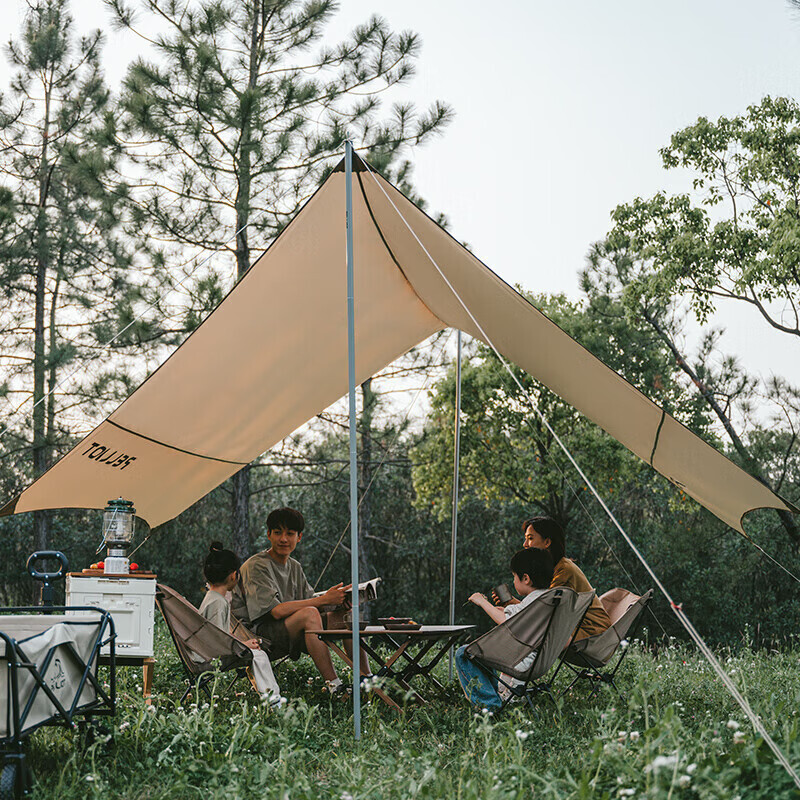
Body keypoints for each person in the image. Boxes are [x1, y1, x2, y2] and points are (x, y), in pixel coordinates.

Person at [231, 507, 370, 695]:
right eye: (278, 532)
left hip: (290, 628)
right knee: (310, 614)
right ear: (269, 535)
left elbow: (309, 600)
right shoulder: (257, 565)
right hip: (259, 635)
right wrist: (322, 600)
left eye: (290, 533)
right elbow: (276, 612)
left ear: (299, 537)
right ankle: (335, 687)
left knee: (346, 615)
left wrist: (336, 601)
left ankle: (366, 680)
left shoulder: (294, 566)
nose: (284, 539)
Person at [455, 548, 555, 712]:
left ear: (525, 578)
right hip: (539, 661)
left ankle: (489, 706)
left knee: (465, 653)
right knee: (480, 652)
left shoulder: (534, 602)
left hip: (520, 660)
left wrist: (481, 602)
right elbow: (518, 616)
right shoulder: (547, 599)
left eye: (514, 576)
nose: (513, 580)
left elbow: (506, 621)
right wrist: (501, 609)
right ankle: (495, 694)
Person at [495, 516, 611, 640]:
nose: (525, 545)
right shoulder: (552, 568)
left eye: (530, 538)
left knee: (534, 630)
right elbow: (542, 608)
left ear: (547, 542)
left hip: (592, 631)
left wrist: (513, 605)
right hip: (575, 628)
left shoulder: (564, 569)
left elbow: (542, 610)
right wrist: (513, 604)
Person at [196, 541, 283, 704]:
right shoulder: (218, 603)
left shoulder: (213, 598)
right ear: (233, 575)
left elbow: (218, 634)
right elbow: (219, 643)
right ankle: (273, 701)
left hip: (207, 653)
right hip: (208, 659)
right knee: (259, 654)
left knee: (255, 652)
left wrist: (243, 643)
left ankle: (270, 697)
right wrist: (244, 645)